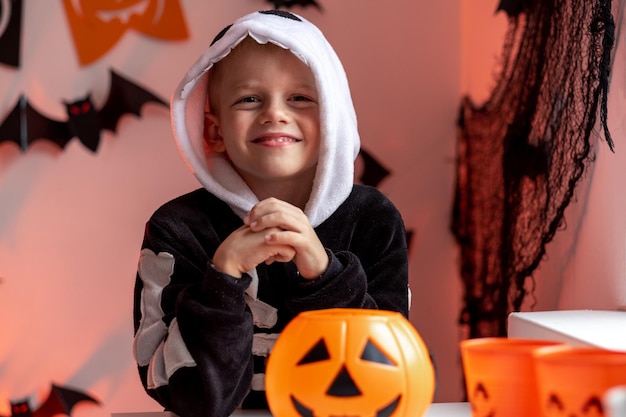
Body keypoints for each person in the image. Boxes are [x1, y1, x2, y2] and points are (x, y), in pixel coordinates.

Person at [132, 9, 409, 417]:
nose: (274, 113)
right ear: (214, 131)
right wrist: (223, 278)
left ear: (333, 117)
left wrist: (325, 275)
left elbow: (389, 380)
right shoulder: (174, 230)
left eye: (300, 98)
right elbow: (184, 396)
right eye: (249, 99)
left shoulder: (374, 220)